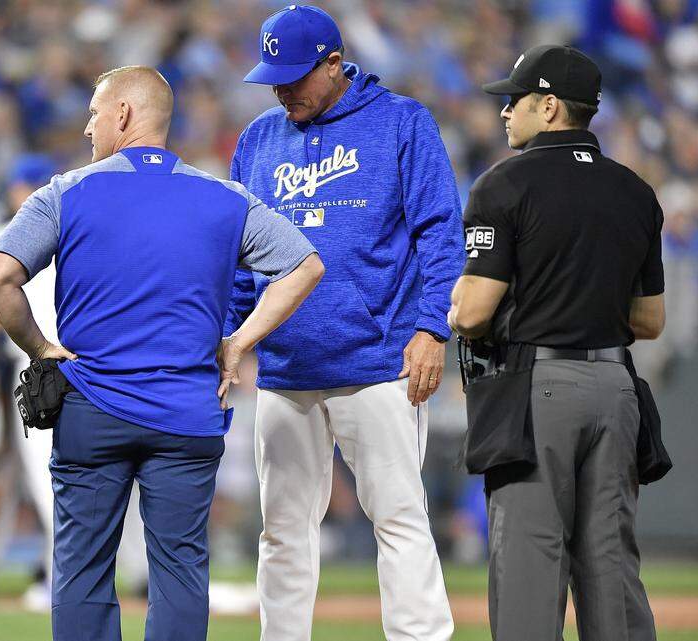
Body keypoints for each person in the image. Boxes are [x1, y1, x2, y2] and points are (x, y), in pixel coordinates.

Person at [0, 65, 324, 641]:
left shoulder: (65, 191)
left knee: (83, 571)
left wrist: (41, 350)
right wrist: (238, 342)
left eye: (94, 113)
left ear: (122, 115)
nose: (88, 127)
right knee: (179, 573)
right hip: (188, 412)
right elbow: (306, 264)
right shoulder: (223, 197)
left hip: (92, 406)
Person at [227, 6, 460, 640]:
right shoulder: (257, 140)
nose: (281, 89)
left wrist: (432, 329)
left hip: (378, 360)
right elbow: (236, 256)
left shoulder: (401, 123)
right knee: (282, 530)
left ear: (334, 64)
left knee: (398, 517)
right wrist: (232, 339)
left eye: (295, 76)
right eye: (272, 76)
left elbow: (442, 235)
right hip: (284, 366)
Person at [448, 44, 665, 641]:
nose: (503, 112)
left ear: (548, 107)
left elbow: (472, 313)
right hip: (616, 387)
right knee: (611, 564)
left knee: (528, 561)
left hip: (538, 389)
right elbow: (649, 321)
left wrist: (473, 307)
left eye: (513, 101)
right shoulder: (635, 192)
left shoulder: (504, 183)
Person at [0, 155, 150, 610]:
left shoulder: (18, 239)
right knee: (98, 476)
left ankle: (67, 578)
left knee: (62, 480)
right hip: (87, 368)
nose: (23, 193)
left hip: (50, 366)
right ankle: (101, 573)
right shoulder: (81, 230)